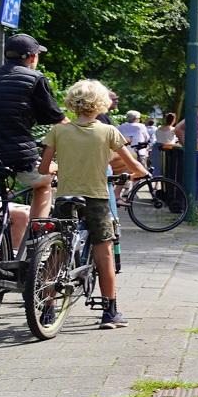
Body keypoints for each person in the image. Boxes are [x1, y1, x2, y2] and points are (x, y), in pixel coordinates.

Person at [39, 78, 147, 330]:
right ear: (101, 103)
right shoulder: (109, 131)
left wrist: (60, 169)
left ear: (72, 103)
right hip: (96, 198)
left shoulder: (58, 131)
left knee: (58, 249)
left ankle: (47, 309)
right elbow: (135, 167)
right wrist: (136, 175)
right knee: (104, 251)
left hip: (66, 198)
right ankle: (110, 312)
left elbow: (44, 168)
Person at [0, 32, 61, 246]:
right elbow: (57, 118)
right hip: (17, 156)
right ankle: (37, 237)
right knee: (44, 183)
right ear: (32, 57)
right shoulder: (34, 78)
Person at [152, 112, 178, 179]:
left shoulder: (158, 128)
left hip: (157, 148)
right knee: (167, 167)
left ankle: (156, 182)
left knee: (157, 166)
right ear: (173, 120)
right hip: (168, 149)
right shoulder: (173, 129)